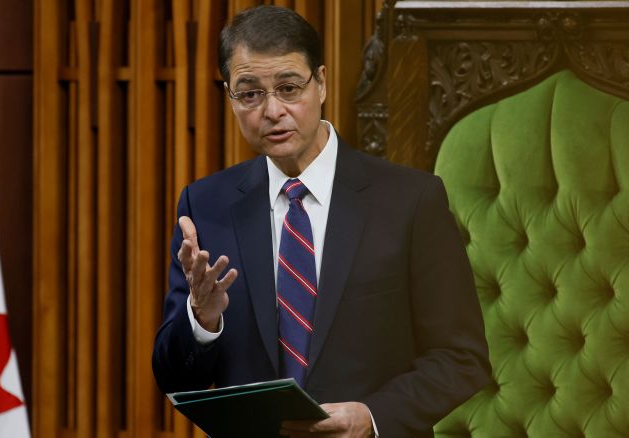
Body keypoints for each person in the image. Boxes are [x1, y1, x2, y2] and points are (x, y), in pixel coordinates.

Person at [152, 5, 490, 437]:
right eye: (250, 93)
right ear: (230, 98)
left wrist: (371, 417)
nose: (272, 110)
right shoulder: (205, 207)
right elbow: (175, 380)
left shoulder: (411, 200)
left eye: (289, 88)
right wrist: (201, 320)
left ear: (322, 83)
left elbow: (462, 358)